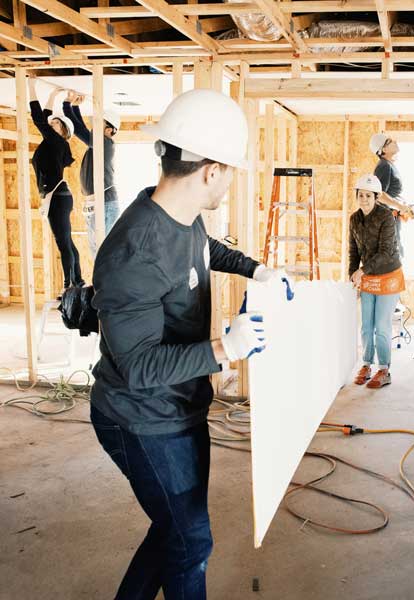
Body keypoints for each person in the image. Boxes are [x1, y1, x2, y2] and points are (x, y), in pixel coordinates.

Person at [90, 88, 286, 600]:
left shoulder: (182, 216)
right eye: (231, 171)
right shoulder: (133, 252)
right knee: (191, 541)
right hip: (141, 417)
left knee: (174, 530)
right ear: (211, 170)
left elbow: (205, 248)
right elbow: (137, 367)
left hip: (180, 405)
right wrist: (223, 349)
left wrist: (256, 268)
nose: (230, 181)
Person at [28, 76, 84, 292]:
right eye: (51, 124)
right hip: (59, 196)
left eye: (55, 124)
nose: (50, 124)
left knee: (63, 243)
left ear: (62, 131)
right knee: (67, 241)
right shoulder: (53, 142)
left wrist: (31, 87)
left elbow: (38, 118)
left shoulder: (55, 141)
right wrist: (52, 95)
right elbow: (44, 117)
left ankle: (68, 286)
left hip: (58, 198)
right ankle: (76, 280)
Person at [349, 174, 405, 389]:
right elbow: (353, 251)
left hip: (388, 275)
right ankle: (366, 364)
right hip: (367, 277)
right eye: (360, 195)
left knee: (381, 326)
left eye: (368, 196)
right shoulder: (355, 219)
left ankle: (384, 369)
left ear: (376, 197)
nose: (364, 199)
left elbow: (385, 251)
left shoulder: (386, 217)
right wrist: (352, 275)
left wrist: (362, 271)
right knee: (366, 326)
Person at [63, 91, 121, 256]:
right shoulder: (97, 144)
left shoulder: (106, 143)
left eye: (98, 124)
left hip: (105, 204)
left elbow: (79, 131)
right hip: (96, 205)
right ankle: (102, 282)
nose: (94, 127)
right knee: (97, 251)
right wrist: (74, 108)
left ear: (109, 130)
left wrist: (67, 105)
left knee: (103, 251)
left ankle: (106, 282)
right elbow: (81, 128)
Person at [369, 133, 414, 259]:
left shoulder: (388, 165)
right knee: (394, 254)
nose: (395, 141)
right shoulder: (384, 166)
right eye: (390, 141)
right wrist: (399, 206)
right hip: (388, 218)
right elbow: (379, 195)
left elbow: (390, 194)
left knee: (396, 251)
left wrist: (402, 205)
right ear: (383, 149)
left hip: (392, 217)